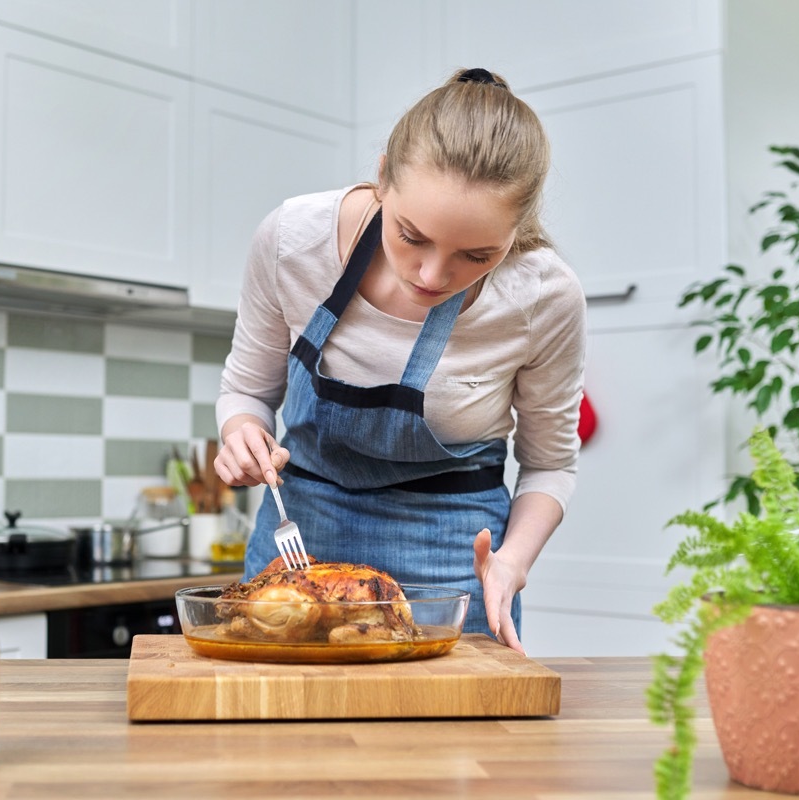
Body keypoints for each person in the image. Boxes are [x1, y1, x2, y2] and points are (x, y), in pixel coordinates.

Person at [212, 67, 586, 654]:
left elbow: (551, 466)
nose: (434, 276)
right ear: (383, 176)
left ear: (517, 232)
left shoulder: (543, 297)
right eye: (411, 236)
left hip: (453, 558)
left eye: (476, 254)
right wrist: (241, 433)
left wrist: (512, 562)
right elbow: (246, 394)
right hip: (300, 541)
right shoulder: (293, 241)